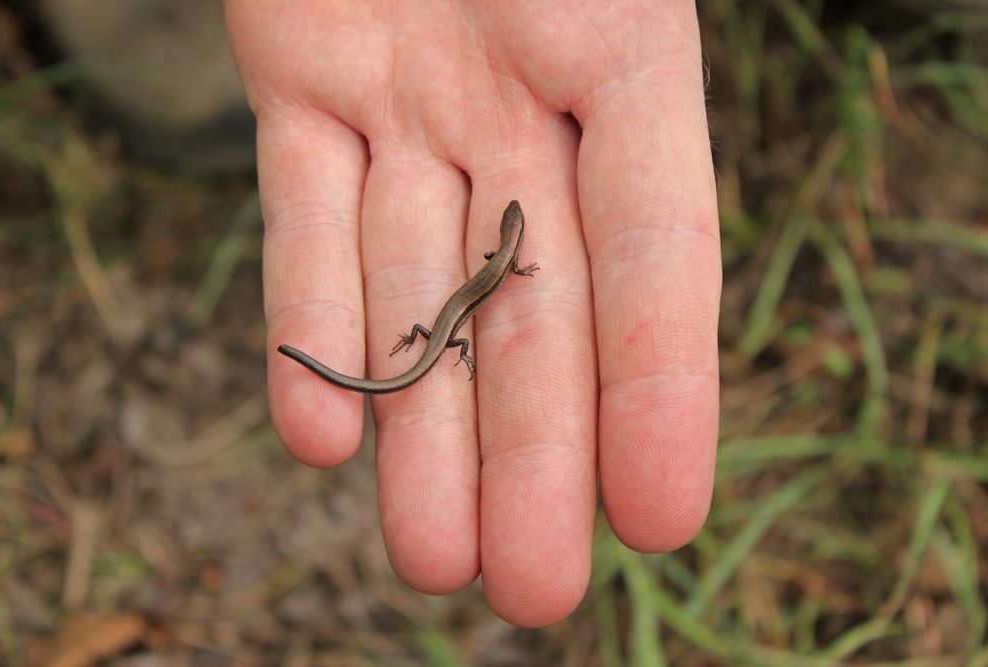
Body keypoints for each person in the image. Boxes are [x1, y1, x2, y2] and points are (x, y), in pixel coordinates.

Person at [225, 0, 720, 628]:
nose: (512, 228)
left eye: (513, 229)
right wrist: (479, 324)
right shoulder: (507, 261)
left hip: (448, 322)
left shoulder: (500, 259)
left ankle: (418, 347)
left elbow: (497, 260)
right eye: (514, 230)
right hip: (449, 327)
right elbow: (503, 262)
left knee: (447, 345)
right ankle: (422, 352)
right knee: (449, 348)